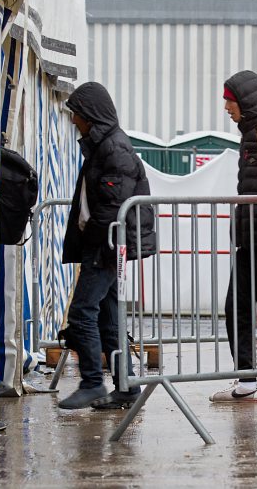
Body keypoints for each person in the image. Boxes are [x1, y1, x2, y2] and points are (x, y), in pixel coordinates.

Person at [58, 82, 156, 410]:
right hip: (107, 244)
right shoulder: (104, 146)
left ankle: (91, 383)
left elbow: (113, 206)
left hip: (106, 246)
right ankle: (126, 387)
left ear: (90, 116)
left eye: (76, 114)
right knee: (109, 319)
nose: (73, 120)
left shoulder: (113, 148)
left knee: (82, 312)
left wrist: (93, 242)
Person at [209, 71, 257, 402]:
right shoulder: (250, 134)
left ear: (245, 102)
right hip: (250, 238)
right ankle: (247, 378)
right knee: (237, 307)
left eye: (230, 100)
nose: (226, 107)